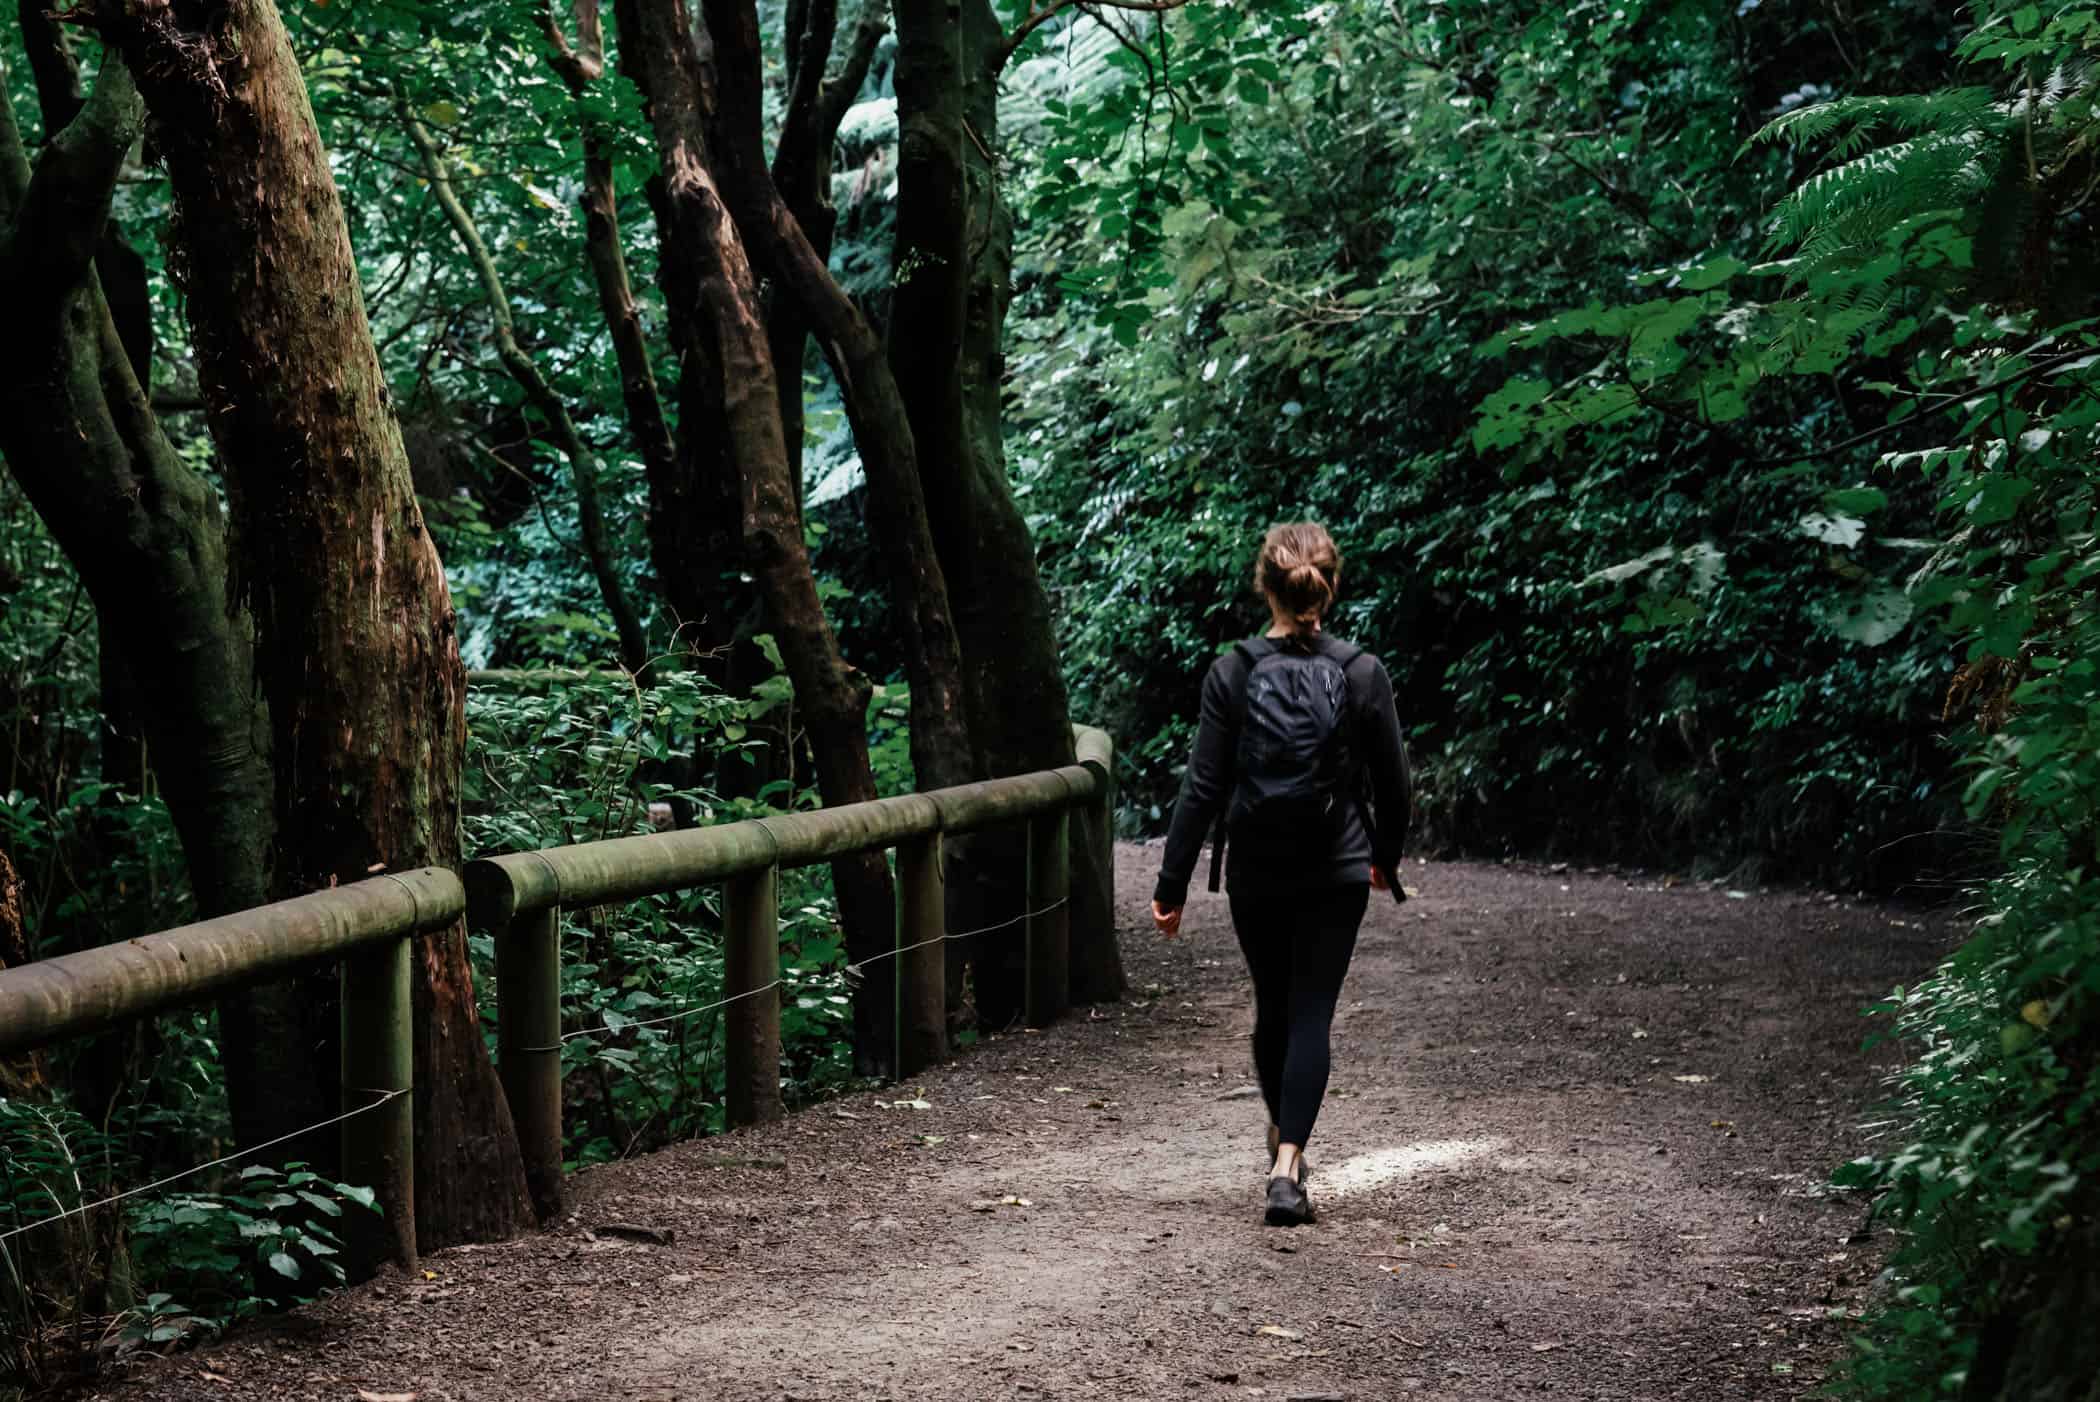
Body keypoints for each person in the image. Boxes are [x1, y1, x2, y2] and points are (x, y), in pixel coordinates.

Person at [1150, 522, 1411, 1227]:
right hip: (1336, 868)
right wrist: (1383, 857)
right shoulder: (1361, 671)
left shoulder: (1232, 671)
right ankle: (1289, 1163)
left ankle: (1280, 1143)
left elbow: (1203, 787)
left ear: (1264, 585)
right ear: (1329, 585)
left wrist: (1170, 885)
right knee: (1312, 1010)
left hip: (1258, 870)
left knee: (1273, 1005)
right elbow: (1395, 785)